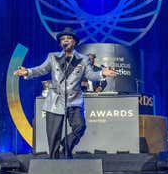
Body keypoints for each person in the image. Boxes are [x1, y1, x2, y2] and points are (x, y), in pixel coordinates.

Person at [14, 27, 116, 158]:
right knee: (53, 136)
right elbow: (41, 69)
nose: (65, 41)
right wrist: (27, 71)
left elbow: (90, 75)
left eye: (68, 39)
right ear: (60, 43)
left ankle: (67, 143)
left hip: (74, 99)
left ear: (74, 42)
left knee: (80, 126)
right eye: (62, 39)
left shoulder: (83, 59)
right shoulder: (53, 57)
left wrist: (102, 73)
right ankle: (54, 163)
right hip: (55, 101)